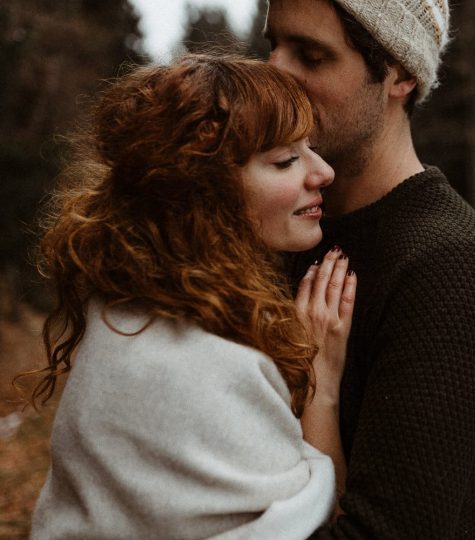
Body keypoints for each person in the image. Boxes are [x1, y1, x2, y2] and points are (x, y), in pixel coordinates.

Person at [23, 53, 356, 539]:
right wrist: (321, 388)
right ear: (205, 192)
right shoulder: (192, 365)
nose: (322, 171)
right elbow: (320, 529)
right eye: (286, 160)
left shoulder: (129, 313)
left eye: (310, 148)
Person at [264, 1, 475, 538]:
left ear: (399, 73)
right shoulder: (273, 219)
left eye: (310, 55)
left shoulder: (444, 262)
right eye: (273, 46)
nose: (275, 73)